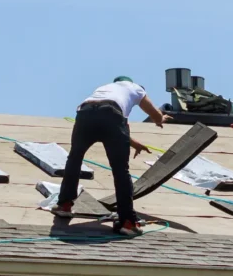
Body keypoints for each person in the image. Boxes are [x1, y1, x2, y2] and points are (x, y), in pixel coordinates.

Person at [55, 76, 169, 236]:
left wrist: (134, 143)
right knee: (121, 170)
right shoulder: (136, 88)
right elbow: (149, 115)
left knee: (74, 158)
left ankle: (64, 205)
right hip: (111, 114)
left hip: (85, 113)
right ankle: (127, 222)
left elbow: (108, 123)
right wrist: (160, 118)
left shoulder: (105, 89)